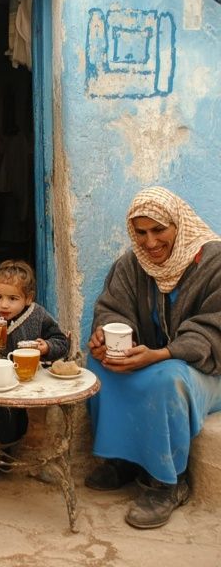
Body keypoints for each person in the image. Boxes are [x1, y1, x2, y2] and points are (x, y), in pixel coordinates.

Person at [85, 186, 221, 529]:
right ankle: (125, 461)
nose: (150, 242)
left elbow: (213, 330)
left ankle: (167, 482)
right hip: (154, 361)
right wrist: (105, 336)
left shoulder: (215, 263)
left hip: (205, 371)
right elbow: (113, 309)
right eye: (141, 232)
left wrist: (162, 354)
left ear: (180, 225)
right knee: (99, 367)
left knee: (167, 378)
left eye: (159, 230)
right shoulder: (132, 265)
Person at [0, 259, 69, 444]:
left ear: (28, 298)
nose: (4, 305)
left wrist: (46, 347)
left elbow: (62, 343)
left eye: (13, 299)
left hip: (27, 386)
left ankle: (18, 445)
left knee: (23, 427)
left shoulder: (38, 316)